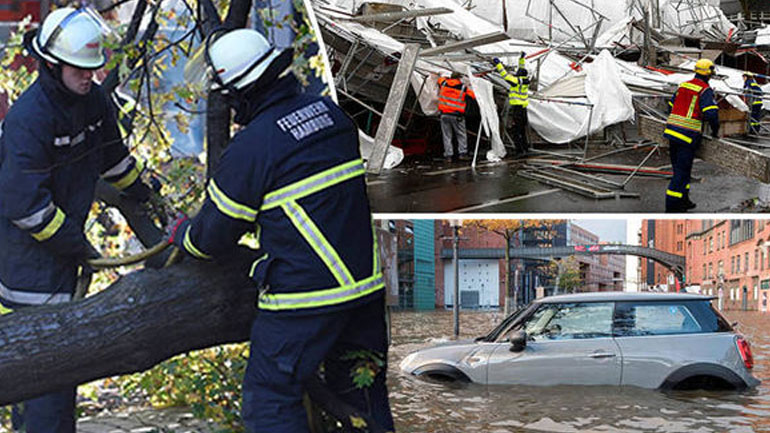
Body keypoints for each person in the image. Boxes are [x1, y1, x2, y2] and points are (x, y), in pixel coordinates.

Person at [175, 28, 394, 432]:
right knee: (363, 400)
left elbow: (211, 238)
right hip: (364, 291)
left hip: (305, 301)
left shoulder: (255, 146)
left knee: (270, 399)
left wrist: (181, 236)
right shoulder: (332, 115)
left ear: (241, 92)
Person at [0, 6, 155, 432]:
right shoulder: (29, 119)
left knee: (58, 375)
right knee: (44, 369)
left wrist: (143, 190)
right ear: (52, 65)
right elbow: (23, 205)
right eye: (79, 70)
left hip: (61, 254)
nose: (89, 77)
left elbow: (113, 158)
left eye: (93, 69)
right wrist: (78, 245)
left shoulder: (94, 101)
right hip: (26, 266)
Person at [663, 58, 719, 213]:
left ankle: (684, 200)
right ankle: (672, 208)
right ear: (709, 73)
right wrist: (715, 131)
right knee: (680, 174)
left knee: (682, 171)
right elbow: (711, 114)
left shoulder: (683, 85)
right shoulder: (704, 90)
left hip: (672, 133)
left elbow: (670, 105)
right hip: (687, 136)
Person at [493, 53, 530, 155]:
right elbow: (522, 69)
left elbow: (504, 75)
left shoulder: (515, 82)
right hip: (523, 109)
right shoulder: (525, 81)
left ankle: (519, 151)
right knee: (522, 130)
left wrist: (498, 64)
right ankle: (525, 149)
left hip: (517, 109)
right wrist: (521, 59)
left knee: (516, 131)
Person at [437, 72, 475, 162]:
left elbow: (440, 78)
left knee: (447, 136)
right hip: (456, 116)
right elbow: (473, 95)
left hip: (444, 114)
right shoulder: (463, 88)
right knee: (461, 135)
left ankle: (448, 156)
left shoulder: (444, 83)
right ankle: (462, 154)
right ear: (459, 78)